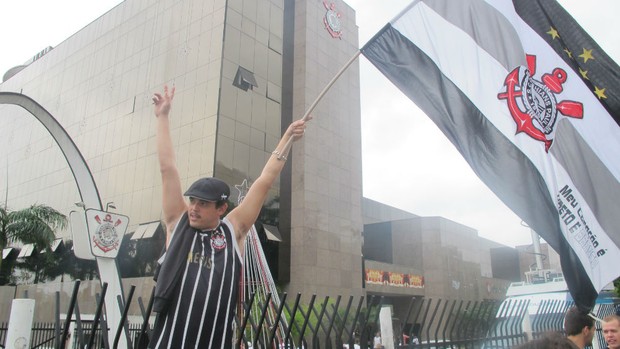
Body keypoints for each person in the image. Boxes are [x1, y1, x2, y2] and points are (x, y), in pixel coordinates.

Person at [148, 85, 308, 348]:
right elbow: (167, 169)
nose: (194, 208)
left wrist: (288, 137)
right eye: (193, 201)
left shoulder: (232, 231)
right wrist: (162, 117)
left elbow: (264, 182)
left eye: (203, 203)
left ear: (221, 209)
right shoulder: (178, 224)